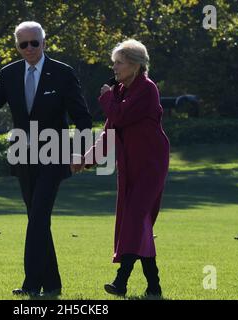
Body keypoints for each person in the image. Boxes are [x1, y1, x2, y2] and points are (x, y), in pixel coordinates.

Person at [0, 21, 92, 297]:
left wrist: (81, 151)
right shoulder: (9, 73)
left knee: (37, 218)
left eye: (35, 42)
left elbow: (82, 117)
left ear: (44, 43)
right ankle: (53, 284)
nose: (30, 48)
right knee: (37, 218)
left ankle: (31, 284)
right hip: (23, 154)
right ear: (18, 47)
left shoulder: (63, 73)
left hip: (55, 153)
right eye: (24, 44)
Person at [71, 39, 169, 297]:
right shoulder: (120, 93)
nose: (114, 67)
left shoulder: (147, 89)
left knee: (135, 218)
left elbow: (121, 116)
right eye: (114, 62)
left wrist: (105, 97)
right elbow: (109, 134)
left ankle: (121, 281)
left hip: (150, 165)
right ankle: (154, 286)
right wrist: (86, 159)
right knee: (140, 222)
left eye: (119, 62)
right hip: (129, 167)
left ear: (135, 65)